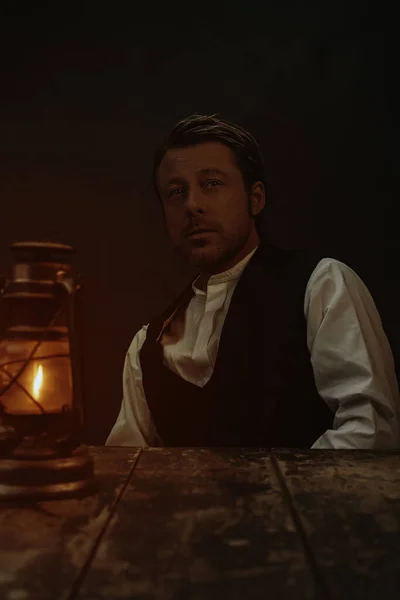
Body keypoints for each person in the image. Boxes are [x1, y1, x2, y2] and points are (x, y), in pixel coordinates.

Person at [106, 114, 400, 449]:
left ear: (255, 198)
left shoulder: (321, 286)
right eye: (176, 192)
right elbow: (128, 468)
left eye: (212, 183)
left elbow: (371, 433)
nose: (192, 205)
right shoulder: (145, 346)